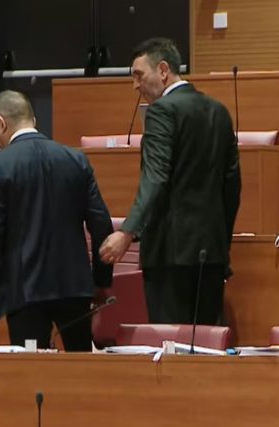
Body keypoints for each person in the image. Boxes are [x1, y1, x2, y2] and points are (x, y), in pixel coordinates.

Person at [99, 37, 241, 325]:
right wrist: (220, 245)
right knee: (208, 342)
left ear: (163, 70)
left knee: (172, 343)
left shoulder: (162, 111)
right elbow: (232, 186)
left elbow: (156, 176)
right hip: (211, 254)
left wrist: (127, 233)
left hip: (170, 254)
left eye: (139, 75)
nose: (135, 85)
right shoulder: (219, 112)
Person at [0, 90, 114, 351]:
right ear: (33, 121)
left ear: (1, 123)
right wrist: (101, 281)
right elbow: (101, 224)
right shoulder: (76, 159)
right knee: (81, 366)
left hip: (24, 291)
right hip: (74, 288)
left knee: (33, 370)